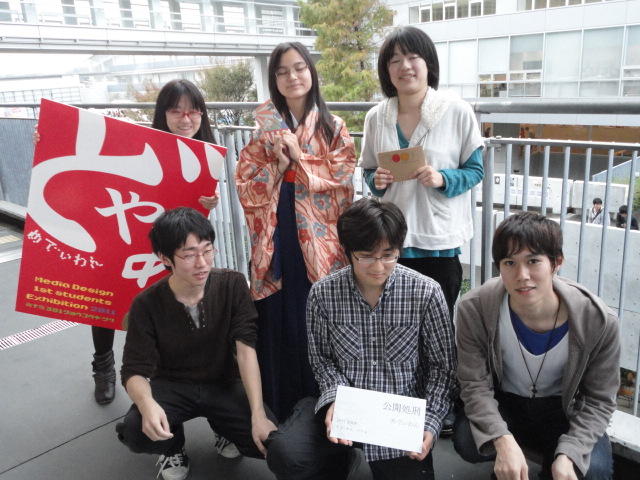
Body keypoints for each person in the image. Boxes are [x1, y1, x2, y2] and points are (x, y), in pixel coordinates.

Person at [266, 197, 457, 480]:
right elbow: (322, 360)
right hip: (345, 408)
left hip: (398, 417)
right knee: (286, 453)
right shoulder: (323, 294)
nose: (378, 266)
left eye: (388, 255)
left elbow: (443, 369)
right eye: (366, 256)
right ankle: (341, 461)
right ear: (348, 251)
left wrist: (430, 421)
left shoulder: (426, 293)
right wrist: (335, 400)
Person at [359, 25, 483, 435]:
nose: (404, 66)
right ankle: (402, 404)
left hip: (438, 242)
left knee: (439, 331)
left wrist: (443, 178)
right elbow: (368, 171)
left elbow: (475, 170)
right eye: (394, 60)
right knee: (396, 329)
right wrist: (376, 180)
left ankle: (441, 405)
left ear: (428, 63)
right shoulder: (377, 117)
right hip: (392, 244)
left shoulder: (456, 110)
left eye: (413, 57)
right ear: (386, 70)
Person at [235, 42, 356, 421]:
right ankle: (279, 408)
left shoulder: (333, 127)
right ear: (274, 79)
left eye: (300, 67)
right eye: (282, 71)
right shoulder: (263, 132)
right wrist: (277, 165)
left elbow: (342, 178)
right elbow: (245, 184)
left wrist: (298, 159)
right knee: (279, 317)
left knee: (317, 316)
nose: (292, 77)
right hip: (277, 231)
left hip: (321, 238)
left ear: (311, 72)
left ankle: (329, 408)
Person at [454, 211, 619, 480]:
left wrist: (570, 453)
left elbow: (599, 400)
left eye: (533, 261)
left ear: (556, 262)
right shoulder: (476, 308)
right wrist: (501, 439)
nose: (522, 275)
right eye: (509, 263)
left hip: (564, 409)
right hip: (505, 402)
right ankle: (509, 463)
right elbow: (474, 384)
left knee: (593, 470)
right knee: (468, 440)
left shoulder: (597, 320)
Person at [115, 207, 277, 480]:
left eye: (207, 250)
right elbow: (133, 370)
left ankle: (223, 429)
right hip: (172, 384)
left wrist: (258, 414)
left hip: (223, 382)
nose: (202, 263)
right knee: (136, 431)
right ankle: (172, 447)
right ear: (164, 258)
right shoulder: (146, 304)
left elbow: (246, 351)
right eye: (189, 255)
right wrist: (146, 404)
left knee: (272, 444)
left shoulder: (233, 284)